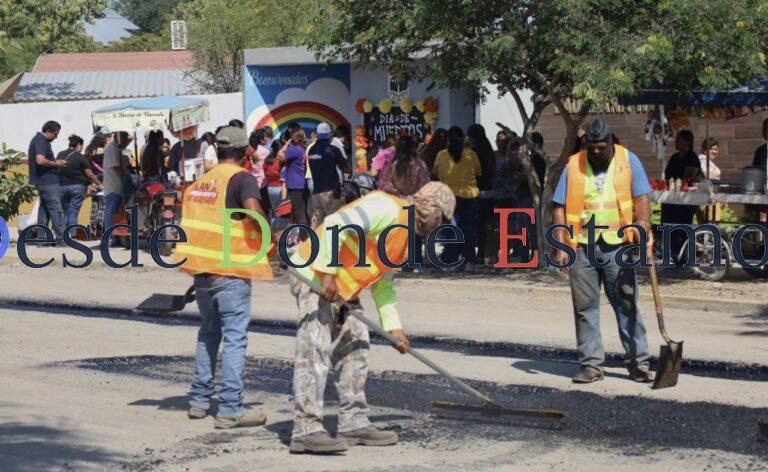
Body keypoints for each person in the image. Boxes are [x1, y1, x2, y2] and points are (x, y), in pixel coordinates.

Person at [287, 181, 455, 453]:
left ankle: (354, 422)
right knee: (314, 352)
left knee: (357, 347)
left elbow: (384, 285)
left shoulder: (403, 238)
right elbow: (334, 224)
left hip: (343, 290)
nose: (440, 227)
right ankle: (306, 429)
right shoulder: (386, 208)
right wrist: (328, 273)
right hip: (313, 275)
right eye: (442, 220)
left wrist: (394, 328)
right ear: (433, 210)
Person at [173, 126, 272, 429]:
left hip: (203, 274)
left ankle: (200, 401)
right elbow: (254, 212)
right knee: (234, 340)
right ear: (246, 152)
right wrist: (269, 237)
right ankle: (230, 409)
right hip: (231, 272)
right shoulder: (241, 179)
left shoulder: (200, 183)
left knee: (208, 335)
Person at [552, 119, 653, 384]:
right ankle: (591, 366)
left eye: (601, 147)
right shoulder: (573, 165)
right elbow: (559, 206)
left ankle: (638, 363)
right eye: (591, 148)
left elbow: (642, 197)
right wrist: (561, 244)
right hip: (582, 246)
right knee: (585, 308)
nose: (596, 153)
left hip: (617, 246)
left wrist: (643, 225)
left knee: (627, 304)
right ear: (585, 144)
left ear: (611, 142)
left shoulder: (628, 160)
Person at [433, 126, 482, 271]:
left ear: (448, 140)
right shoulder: (471, 155)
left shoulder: (441, 155)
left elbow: (435, 171)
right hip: (469, 196)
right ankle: (469, 262)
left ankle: (450, 261)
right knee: (469, 230)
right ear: (463, 139)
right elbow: (479, 172)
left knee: (451, 229)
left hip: (448, 197)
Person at [661, 129, 700, 262]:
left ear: (687, 141)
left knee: (682, 227)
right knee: (668, 224)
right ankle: (669, 254)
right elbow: (667, 175)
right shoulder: (674, 157)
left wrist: (680, 182)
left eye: (679, 139)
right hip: (671, 197)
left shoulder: (692, 157)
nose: (676, 142)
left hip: (685, 199)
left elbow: (689, 176)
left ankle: (682, 256)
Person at [27, 121, 66, 245]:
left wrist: (55, 161)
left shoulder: (39, 140)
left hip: (43, 181)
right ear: (48, 132)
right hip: (48, 182)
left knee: (44, 211)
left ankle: (42, 239)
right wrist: (57, 164)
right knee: (56, 209)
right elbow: (40, 160)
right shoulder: (41, 141)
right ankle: (61, 240)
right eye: (55, 134)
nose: (56, 137)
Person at [306, 122, 349, 225]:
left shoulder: (311, 150)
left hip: (316, 192)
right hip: (333, 190)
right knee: (339, 220)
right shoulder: (332, 149)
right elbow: (346, 167)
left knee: (318, 223)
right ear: (330, 136)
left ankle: (314, 241)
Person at [57, 134, 101, 235]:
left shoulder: (60, 154)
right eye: (81, 146)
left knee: (65, 212)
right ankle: (72, 235)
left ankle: (63, 235)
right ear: (79, 144)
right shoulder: (80, 157)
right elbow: (89, 174)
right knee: (73, 212)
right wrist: (99, 184)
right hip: (77, 187)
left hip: (61, 187)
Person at [467, 124, 496, 266]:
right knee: (487, 224)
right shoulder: (489, 150)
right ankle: (486, 252)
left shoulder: (473, 152)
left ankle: (477, 254)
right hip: (489, 190)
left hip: (477, 190)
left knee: (476, 224)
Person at [102, 131, 133, 247]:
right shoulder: (112, 148)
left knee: (116, 213)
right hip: (113, 186)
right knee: (111, 212)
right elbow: (116, 166)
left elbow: (130, 137)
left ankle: (114, 238)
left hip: (116, 186)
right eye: (125, 140)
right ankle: (108, 238)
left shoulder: (116, 147)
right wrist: (124, 177)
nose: (126, 143)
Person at [281, 129, 311, 234]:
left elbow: (279, 156)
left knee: (299, 215)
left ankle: (305, 239)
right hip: (302, 183)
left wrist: (286, 145)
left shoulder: (295, 149)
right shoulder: (303, 149)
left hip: (295, 185)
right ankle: (303, 237)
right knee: (302, 213)